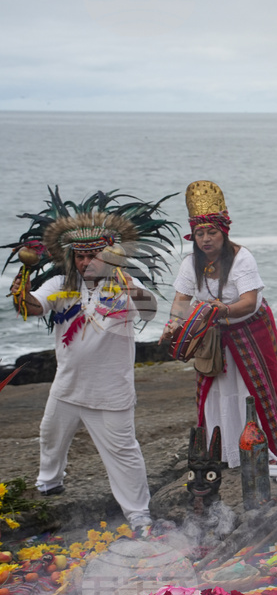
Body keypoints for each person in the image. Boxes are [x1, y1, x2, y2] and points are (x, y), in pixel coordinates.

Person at [8, 205, 167, 531]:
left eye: (93, 256)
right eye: (80, 257)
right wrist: (23, 276)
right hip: (67, 385)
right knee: (50, 435)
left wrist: (122, 273)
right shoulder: (62, 286)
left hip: (111, 391)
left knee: (124, 454)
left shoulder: (123, 286)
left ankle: (139, 515)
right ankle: (49, 482)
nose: (85, 262)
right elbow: (32, 306)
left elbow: (149, 309)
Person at [160, 181, 277, 468]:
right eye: (200, 233)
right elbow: (181, 301)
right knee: (214, 394)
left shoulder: (242, 258)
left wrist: (221, 311)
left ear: (224, 231)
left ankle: (260, 454)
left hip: (249, 332)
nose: (206, 239)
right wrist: (173, 325)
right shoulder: (191, 262)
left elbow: (250, 302)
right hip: (211, 335)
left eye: (212, 232)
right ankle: (223, 453)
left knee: (251, 393)